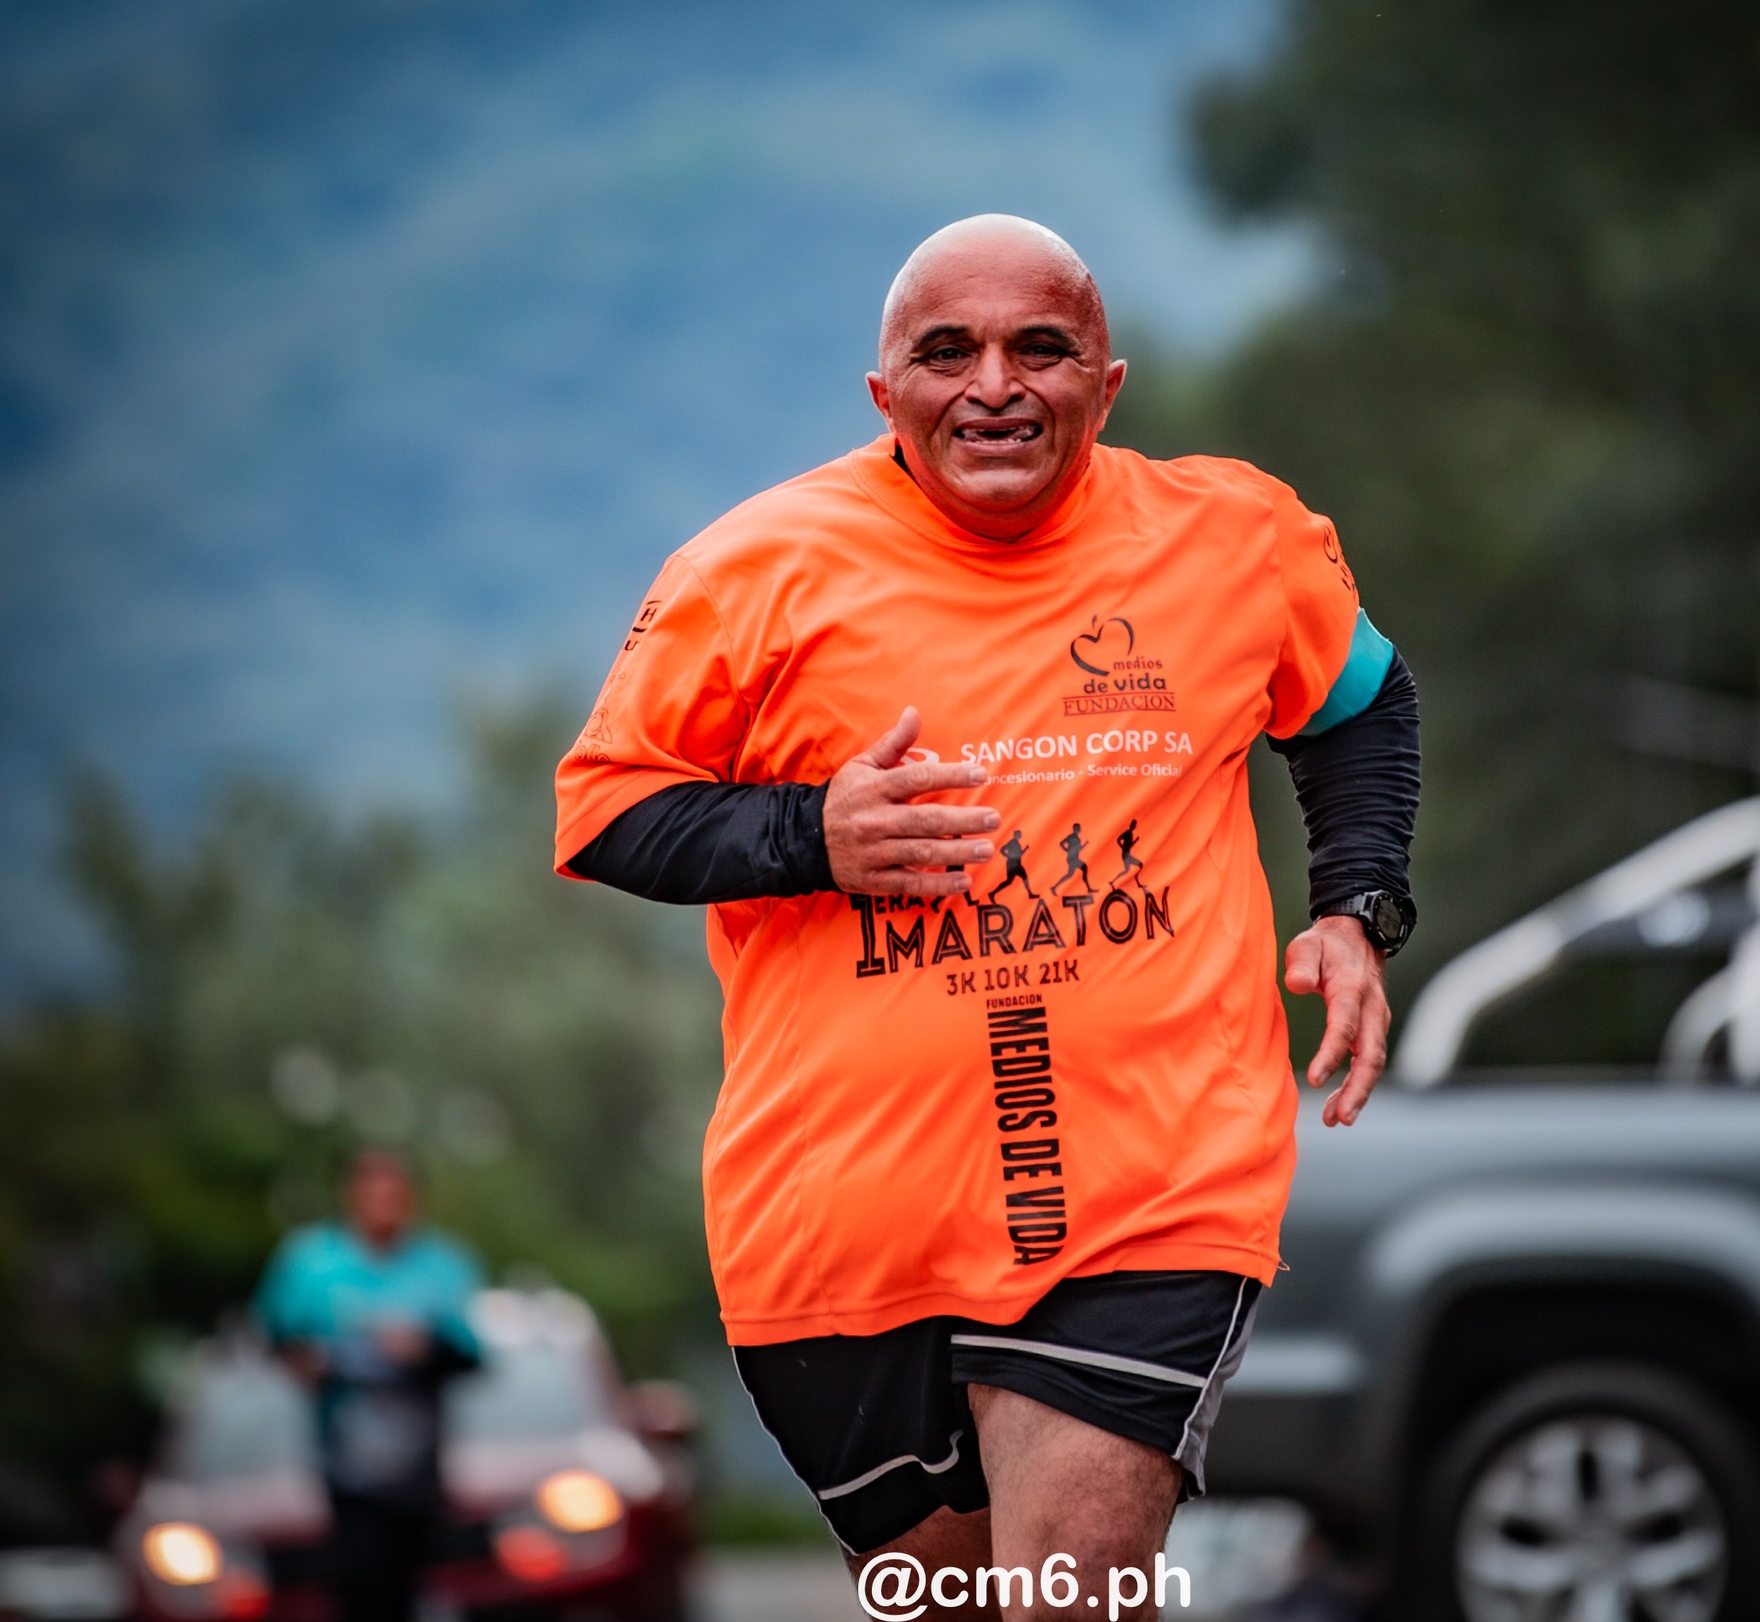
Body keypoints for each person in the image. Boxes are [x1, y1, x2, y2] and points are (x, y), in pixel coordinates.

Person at [555, 216, 1419, 1621]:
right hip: (841, 1217)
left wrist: (1357, 902)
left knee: (1070, 1589)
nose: (995, 385)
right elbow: (604, 811)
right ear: (884, 391)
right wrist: (809, 832)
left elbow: (1361, 703)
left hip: (1153, 1186)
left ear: (1109, 383)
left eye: (1042, 348)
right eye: (946, 352)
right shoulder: (757, 569)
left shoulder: (1232, 536)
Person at [255, 1149, 483, 1622]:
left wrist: (422, 1350)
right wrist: (314, 1361)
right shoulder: (311, 1264)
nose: (383, 1204)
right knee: (361, 1578)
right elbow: (274, 1340)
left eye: (394, 1193)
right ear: (351, 1195)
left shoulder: (442, 1265)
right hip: (344, 1459)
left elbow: (471, 1355)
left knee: (416, 1582)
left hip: (420, 1462)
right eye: (371, 1192)